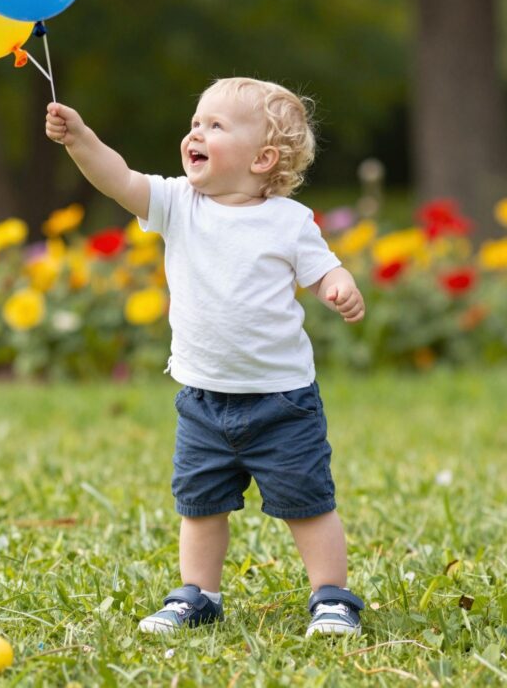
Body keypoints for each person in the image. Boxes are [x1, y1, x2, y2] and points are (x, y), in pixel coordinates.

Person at [45, 77, 366, 638]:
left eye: (215, 126)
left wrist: (339, 285)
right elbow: (118, 178)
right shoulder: (178, 203)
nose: (196, 133)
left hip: (282, 401)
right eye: (196, 123)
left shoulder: (288, 220)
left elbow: (323, 267)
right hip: (202, 400)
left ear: (263, 158)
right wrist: (80, 140)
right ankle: (199, 594)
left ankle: (331, 596)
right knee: (199, 506)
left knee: (308, 503)